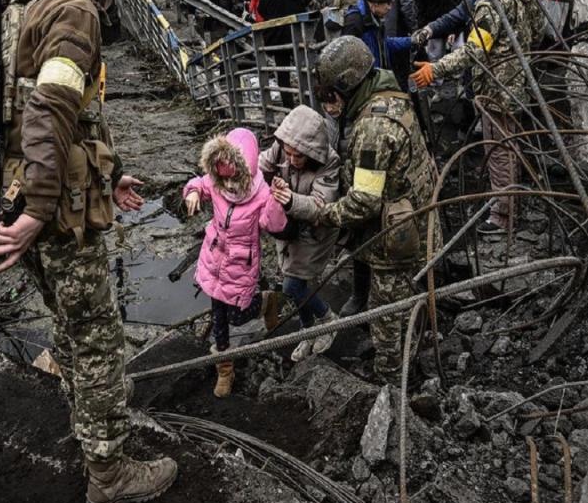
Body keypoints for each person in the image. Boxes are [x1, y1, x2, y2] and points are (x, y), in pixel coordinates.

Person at [0, 0, 177, 503]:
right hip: (53, 205)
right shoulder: (76, 9)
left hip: (26, 186)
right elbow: (51, 108)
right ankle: (110, 471)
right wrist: (42, 208)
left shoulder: (24, 7)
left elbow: (44, 115)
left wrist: (106, 175)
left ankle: (89, 416)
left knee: (68, 323)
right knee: (96, 335)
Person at [314, 36, 438, 382]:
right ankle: (413, 345)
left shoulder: (372, 127)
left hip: (396, 236)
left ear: (349, 85)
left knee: (385, 310)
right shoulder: (390, 93)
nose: (328, 104)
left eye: (330, 95)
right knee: (410, 296)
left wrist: (324, 215)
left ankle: (390, 377)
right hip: (419, 217)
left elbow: (364, 201)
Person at [411, 0, 546, 234]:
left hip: (496, 89)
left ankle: (502, 217)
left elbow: (473, 51)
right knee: (512, 145)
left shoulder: (491, 5)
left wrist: (436, 68)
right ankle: (514, 202)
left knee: (498, 151)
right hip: (519, 84)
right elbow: (538, 34)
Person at [183, 128, 286, 396]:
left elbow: (273, 225)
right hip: (214, 258)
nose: (227, 186)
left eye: (233, 179)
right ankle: (225, 368)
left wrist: (276, 202)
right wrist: (192, 192)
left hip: (241, 266)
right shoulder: (216, 182)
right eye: (222, 178)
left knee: (238, 316)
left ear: (246, 171)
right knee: (219, 317)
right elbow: (199, 183)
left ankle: (265, 302)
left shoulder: (261, 194)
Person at [259, 106, 341, 362]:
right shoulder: (282, 145)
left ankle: (329, 320)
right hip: (287, 227)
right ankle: (308, 330)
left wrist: (291, 199)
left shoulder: (330, 161)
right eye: (289, 153)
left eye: (299, 156)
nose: (292, 160)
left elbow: (321, 204)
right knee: (297, 285)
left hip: (316, 230)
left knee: (292, 284)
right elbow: (260, 165)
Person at [258, 0, 310, 108]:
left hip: (277, 38)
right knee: (304, 68)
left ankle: (288, 106)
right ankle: (309, 101)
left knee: (283, 73)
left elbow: (261, 10)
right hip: (298, 34)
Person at [343, 0, 413, 87]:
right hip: (367, 88)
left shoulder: (373, 18)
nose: (390, 8)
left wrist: (411, 41)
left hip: (378, 81)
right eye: (388, 3)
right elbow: (348, 63)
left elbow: (384, 44)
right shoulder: (354, 22)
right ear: (376, 3)